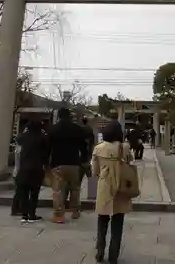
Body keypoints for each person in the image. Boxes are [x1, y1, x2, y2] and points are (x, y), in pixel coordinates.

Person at [92, 121, 133, 264]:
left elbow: (94, 171)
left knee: (102, 219)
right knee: (118, 220)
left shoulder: (98, 148)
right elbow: (130, 162)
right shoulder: (124, 148)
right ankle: (113, 255)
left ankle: (99, 251)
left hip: (104, 185)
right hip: (121, 185)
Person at [48, 107, 88, 223]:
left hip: (57, 163)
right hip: (74, 163)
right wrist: (83, 159)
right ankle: (75, 211)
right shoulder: (77, 129)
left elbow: (47, 147)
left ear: (59, 116)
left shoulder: (53, 129)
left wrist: (46, 161)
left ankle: (59, 215)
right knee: (75, 188)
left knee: (58, 190)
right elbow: (83, 147)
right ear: (69, 116)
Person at [15, 119, 49, 223]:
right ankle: (32, 214)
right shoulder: (43, 138)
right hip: (37, 168)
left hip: (23, 168)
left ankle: (24, 215)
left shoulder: (22, 137)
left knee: (24, 192)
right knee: (34, 193)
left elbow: (18, 143)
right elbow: (46, 153)